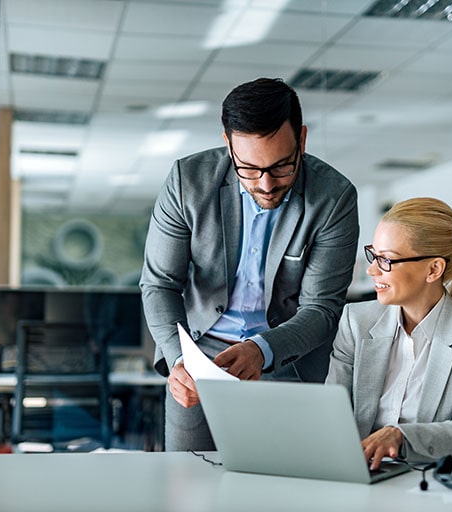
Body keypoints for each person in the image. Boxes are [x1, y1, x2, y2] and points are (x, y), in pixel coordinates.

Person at [140, 77, 359, 451]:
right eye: (249, 169)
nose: (267, 184)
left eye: (281, 167)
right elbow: (160, 284)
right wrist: (180, 360)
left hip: (288, 359)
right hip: (200, 361)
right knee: (188, 484)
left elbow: (321, 309)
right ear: (228, 145)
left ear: (302, 140)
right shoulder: (186, 182)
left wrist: (261, 350)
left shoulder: (333, 198)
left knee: (285, 489)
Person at [326, 197, 452, 466]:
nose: (371, 269)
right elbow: (331, 416)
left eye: (386, 259)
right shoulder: (356, 321)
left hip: (428, 480)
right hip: (357, 472)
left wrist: (399, 437)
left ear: (434, 269)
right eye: (373, 255)